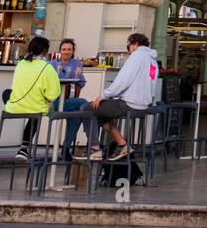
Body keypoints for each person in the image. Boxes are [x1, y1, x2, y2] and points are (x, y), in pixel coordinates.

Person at [88, 32, 158, 162]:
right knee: (102, 113)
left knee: (87, 108)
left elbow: (123, 80)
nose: (129, 50)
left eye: (129, 46)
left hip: (129, 104)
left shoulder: (136, 56)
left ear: (135, 44)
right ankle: (121, 143)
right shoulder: (153, 62)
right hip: (143, 106)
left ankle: (96, 149)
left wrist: (104, 95)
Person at [4, 35, 61, 162]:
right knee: (37, 109)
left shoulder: (21, 64)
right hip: (35, 108)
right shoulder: (47, 67)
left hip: (14, 107)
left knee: (7, 93)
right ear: (45, 51)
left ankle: (24, 148)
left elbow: (14, 86)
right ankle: (24, 147)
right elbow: (54, 94)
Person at [52, 38, 91, 156]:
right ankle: (90, 135)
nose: (66, 52)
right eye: (64, 49)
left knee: (76, 116)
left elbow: (82, 83)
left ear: (73, 51)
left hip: (70, 99)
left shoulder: (77, 64)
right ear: (60, 51)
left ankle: (65, 149)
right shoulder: (52, 64)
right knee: (84, 103)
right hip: (55, 101)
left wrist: (79, 75)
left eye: (69, 49)